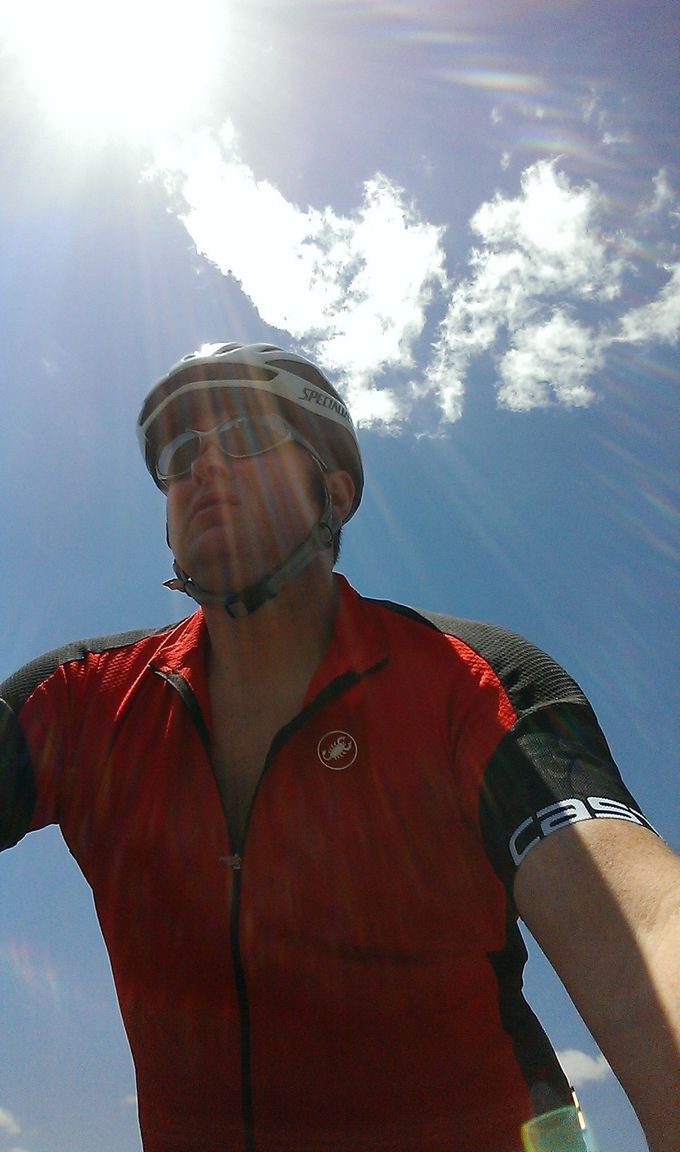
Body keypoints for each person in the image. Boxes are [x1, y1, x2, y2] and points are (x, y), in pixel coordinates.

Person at [1, 342, 678, 1152]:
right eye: (180, 456)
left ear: (334, 492)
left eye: (247, 436)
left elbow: (641, 922)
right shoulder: (78, 699)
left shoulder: (471, 679)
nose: (205, 465)